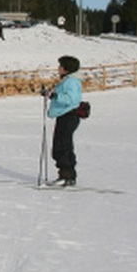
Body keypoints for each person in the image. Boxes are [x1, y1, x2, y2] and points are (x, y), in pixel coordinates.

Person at [43, 56, 83, 186]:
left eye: (60, 66)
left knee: (62, 145)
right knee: (62, 144)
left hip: (68, 116)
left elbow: (70, 99)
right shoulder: (67, 81)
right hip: (65, 115)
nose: (58, 68)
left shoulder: (71, 82)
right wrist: (50, 94)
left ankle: (66, 176)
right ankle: (67, 175)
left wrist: (54, 95)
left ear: (66, 69)